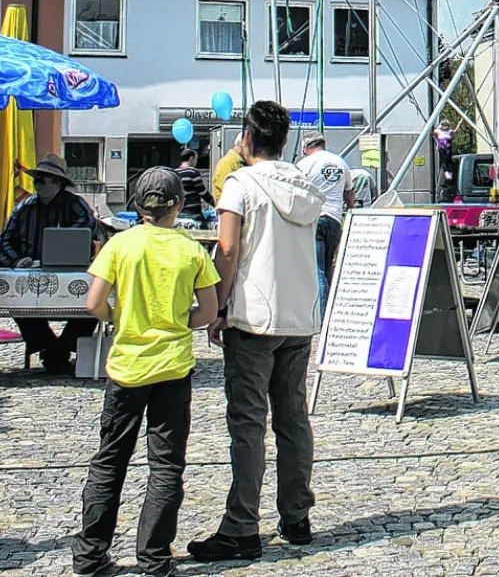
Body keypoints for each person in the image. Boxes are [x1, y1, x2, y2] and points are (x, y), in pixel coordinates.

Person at [191, 101, 324, 563]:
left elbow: (227, 250)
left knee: (248, 423)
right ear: (285, 141)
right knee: (293, 420)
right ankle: (296, 516)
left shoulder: (240, 183)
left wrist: (217, 305)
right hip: (298, 317)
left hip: (253, 317)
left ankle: (241, 526)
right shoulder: (305, 184)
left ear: (247, 137)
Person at [75, 168, 219, 577]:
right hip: (172, 366)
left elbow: (93, 303)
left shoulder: (120, 244)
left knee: (110, 460)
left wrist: (120, 317)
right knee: (166, 465)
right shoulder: (190, 250)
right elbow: (207, 312)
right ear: (179, 205)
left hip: (126, 368)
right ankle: (155, 558)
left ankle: (90, 555)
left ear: (137, 205)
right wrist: (176, 321)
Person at [0, 154, 99, 376]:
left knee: (93, 306)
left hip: (71, 271)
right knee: (18, 304)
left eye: (43, 180)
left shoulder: (76, 205)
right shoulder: (23, 207)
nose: (38, 184)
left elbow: (89, 227)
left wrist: (66, 246)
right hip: (30, 273)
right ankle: (53, 350)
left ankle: (59, 349)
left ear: (58, 183)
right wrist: (17, 260)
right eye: (37, 180)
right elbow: (4, 240)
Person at [296, 133, 353, 315]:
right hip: (335, 218)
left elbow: (295, 193)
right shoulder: (340, 162)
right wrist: (350, 212)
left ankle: (320, 316)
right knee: (328, 267)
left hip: (314, 218)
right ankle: (330, 311)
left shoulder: (304, 165)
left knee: (317, 270)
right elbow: (349, 193)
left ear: (306, 148)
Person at [176, 149, 212, 223]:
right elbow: (202, 192)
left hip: (179, 212)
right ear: (191, 158)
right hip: (193, 212)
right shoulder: (193, 172)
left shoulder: (175, 173)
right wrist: (215, 203)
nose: (196, 162)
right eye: (196, 159)